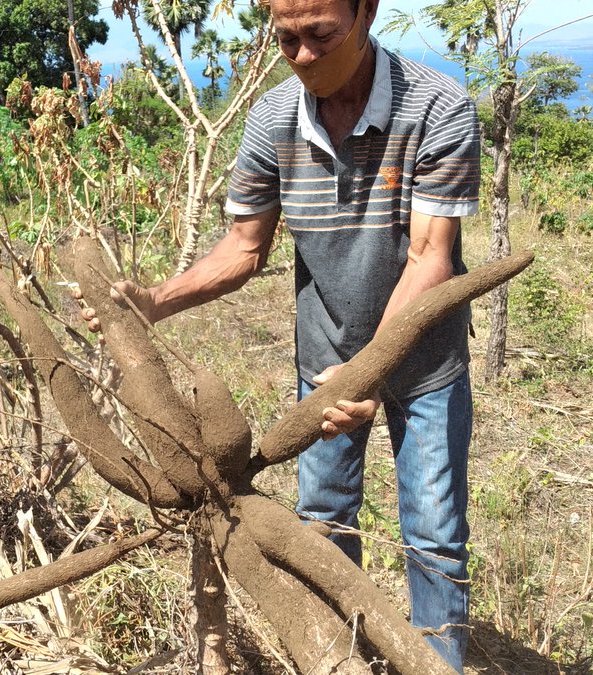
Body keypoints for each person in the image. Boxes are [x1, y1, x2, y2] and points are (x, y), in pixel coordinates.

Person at [80, 0, 479, 669]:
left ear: (367, 12)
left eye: (321, 35)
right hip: (324, 357)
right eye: (286, 39)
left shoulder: (437, 107)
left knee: (434, 535)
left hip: (424, 362)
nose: (303, 57)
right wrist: (153, 301)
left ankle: (438, 663)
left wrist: (369, 374)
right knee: (322, 522)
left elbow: (429, 258)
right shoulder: (272, 119)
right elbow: (244, 247)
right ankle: (343, 657)